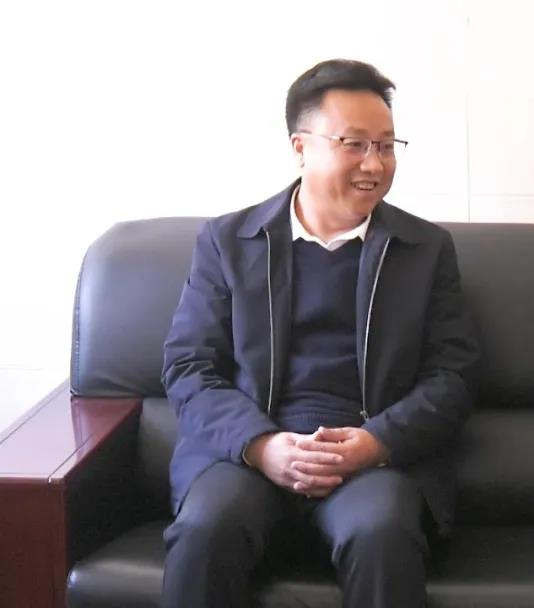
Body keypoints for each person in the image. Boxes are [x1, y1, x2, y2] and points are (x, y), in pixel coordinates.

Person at [161, 58, 480, 608]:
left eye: (386, 146)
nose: (374, 163)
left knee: (381, 533)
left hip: (371, 460)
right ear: (300, 147)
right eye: (354, 144)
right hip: (248, 456)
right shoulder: (229, 242)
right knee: (206, 530)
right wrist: (261, 445)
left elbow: (454, 375)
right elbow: (189, 366)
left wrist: (375, 443)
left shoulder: (424, 250)